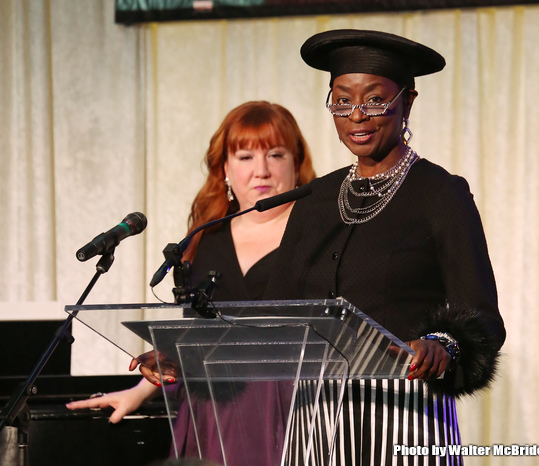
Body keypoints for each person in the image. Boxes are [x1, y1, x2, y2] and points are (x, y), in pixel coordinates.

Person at [262, 29, 506, 465]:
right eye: (342, 100)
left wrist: (440, 345)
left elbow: (483, 321)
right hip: (315, 421)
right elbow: (274, 312)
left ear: (407, 103)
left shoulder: (440, 195)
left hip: (406, 416)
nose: (357, 115)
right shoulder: (313, 199)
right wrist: (185, 353)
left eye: (375, 100)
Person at [66, 101, 316, 464]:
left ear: (296, 163)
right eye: (245, 157)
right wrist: (140, 392)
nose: (261, 171)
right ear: (225, 169)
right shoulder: (206, 238)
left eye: (275, 154)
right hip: (211, 410)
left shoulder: (318, 232)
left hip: (291, 412)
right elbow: (194, 337)